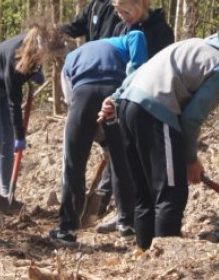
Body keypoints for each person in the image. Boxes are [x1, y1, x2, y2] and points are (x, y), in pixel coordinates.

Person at [98, 33, 219, 250]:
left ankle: (145, 254)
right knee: (171, 195)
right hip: (156, 111)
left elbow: (145, 67)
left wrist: (116, 97)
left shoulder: (197, 44)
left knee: (145, 193)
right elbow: (191, 118)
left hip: (128, 106)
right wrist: (190, 159)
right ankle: (165, 261)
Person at [50, 29, 148, 243]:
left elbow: (70, 100)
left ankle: (68, 227)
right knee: (122, 159)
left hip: (82, 95)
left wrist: (88, 133)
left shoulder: (70, 60)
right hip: (116, 93)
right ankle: (127, 222)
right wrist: (108, 140)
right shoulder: (122, 42)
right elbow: (137, 42)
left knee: (74, 162)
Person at [96, 0, 176, 234]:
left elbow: (161, 68)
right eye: (118, 12)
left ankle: (149, 216)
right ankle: (124, 215)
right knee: (122, 158)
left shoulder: (161, 31)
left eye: (126, 12)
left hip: (150, 103)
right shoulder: (122, 27)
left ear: (139, 5)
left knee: (146, 162)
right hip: (121, 97)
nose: (122, 17)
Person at [0, 21, 67, 213]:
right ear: (39, 49)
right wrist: (21, 136)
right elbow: (15, 103)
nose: (46, 58)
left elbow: (31, 67)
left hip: (3, 89)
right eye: (45, 56)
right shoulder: (15, 57)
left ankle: (6, 193)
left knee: (8, 141)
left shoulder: (34, 48)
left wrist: (36, 72)